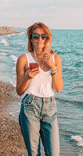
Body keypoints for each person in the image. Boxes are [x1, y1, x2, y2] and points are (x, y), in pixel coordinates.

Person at [16, 22, 63, 156]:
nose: (40, 40)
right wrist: (27, 77)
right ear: (31, 38)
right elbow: (19, 91)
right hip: (30, 106)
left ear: (48, 38)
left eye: (43, 36)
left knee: (53, 153)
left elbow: (58, 88)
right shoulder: (24, 59)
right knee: (34, 153)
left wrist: (52, 67)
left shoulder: (56, 59)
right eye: (36, 36)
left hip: (50, 107)